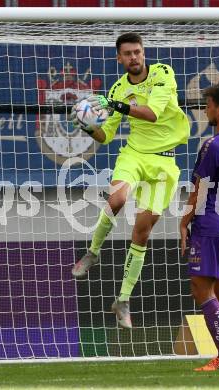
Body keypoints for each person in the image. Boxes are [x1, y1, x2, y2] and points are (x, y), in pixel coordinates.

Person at [71, 32, 190, 329]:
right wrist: (87, 127)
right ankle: (92, 253)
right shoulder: (118, 89)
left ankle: (122, 300)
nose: (134, 57)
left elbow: (151, 114)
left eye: (137, 51)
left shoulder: (162, 73)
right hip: (134, 155)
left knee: (141, 232)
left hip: (164, 161)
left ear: (143, 53)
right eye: (128, 53)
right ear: (119, 58)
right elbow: (106, 135)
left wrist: (116, 105)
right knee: (118, 199)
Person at [180, 81, 219, 371]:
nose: (205, 109)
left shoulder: (213, 145)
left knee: (200, 288)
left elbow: (199, 190)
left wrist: (184, 222)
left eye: (207, 105)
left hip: (210, 223)